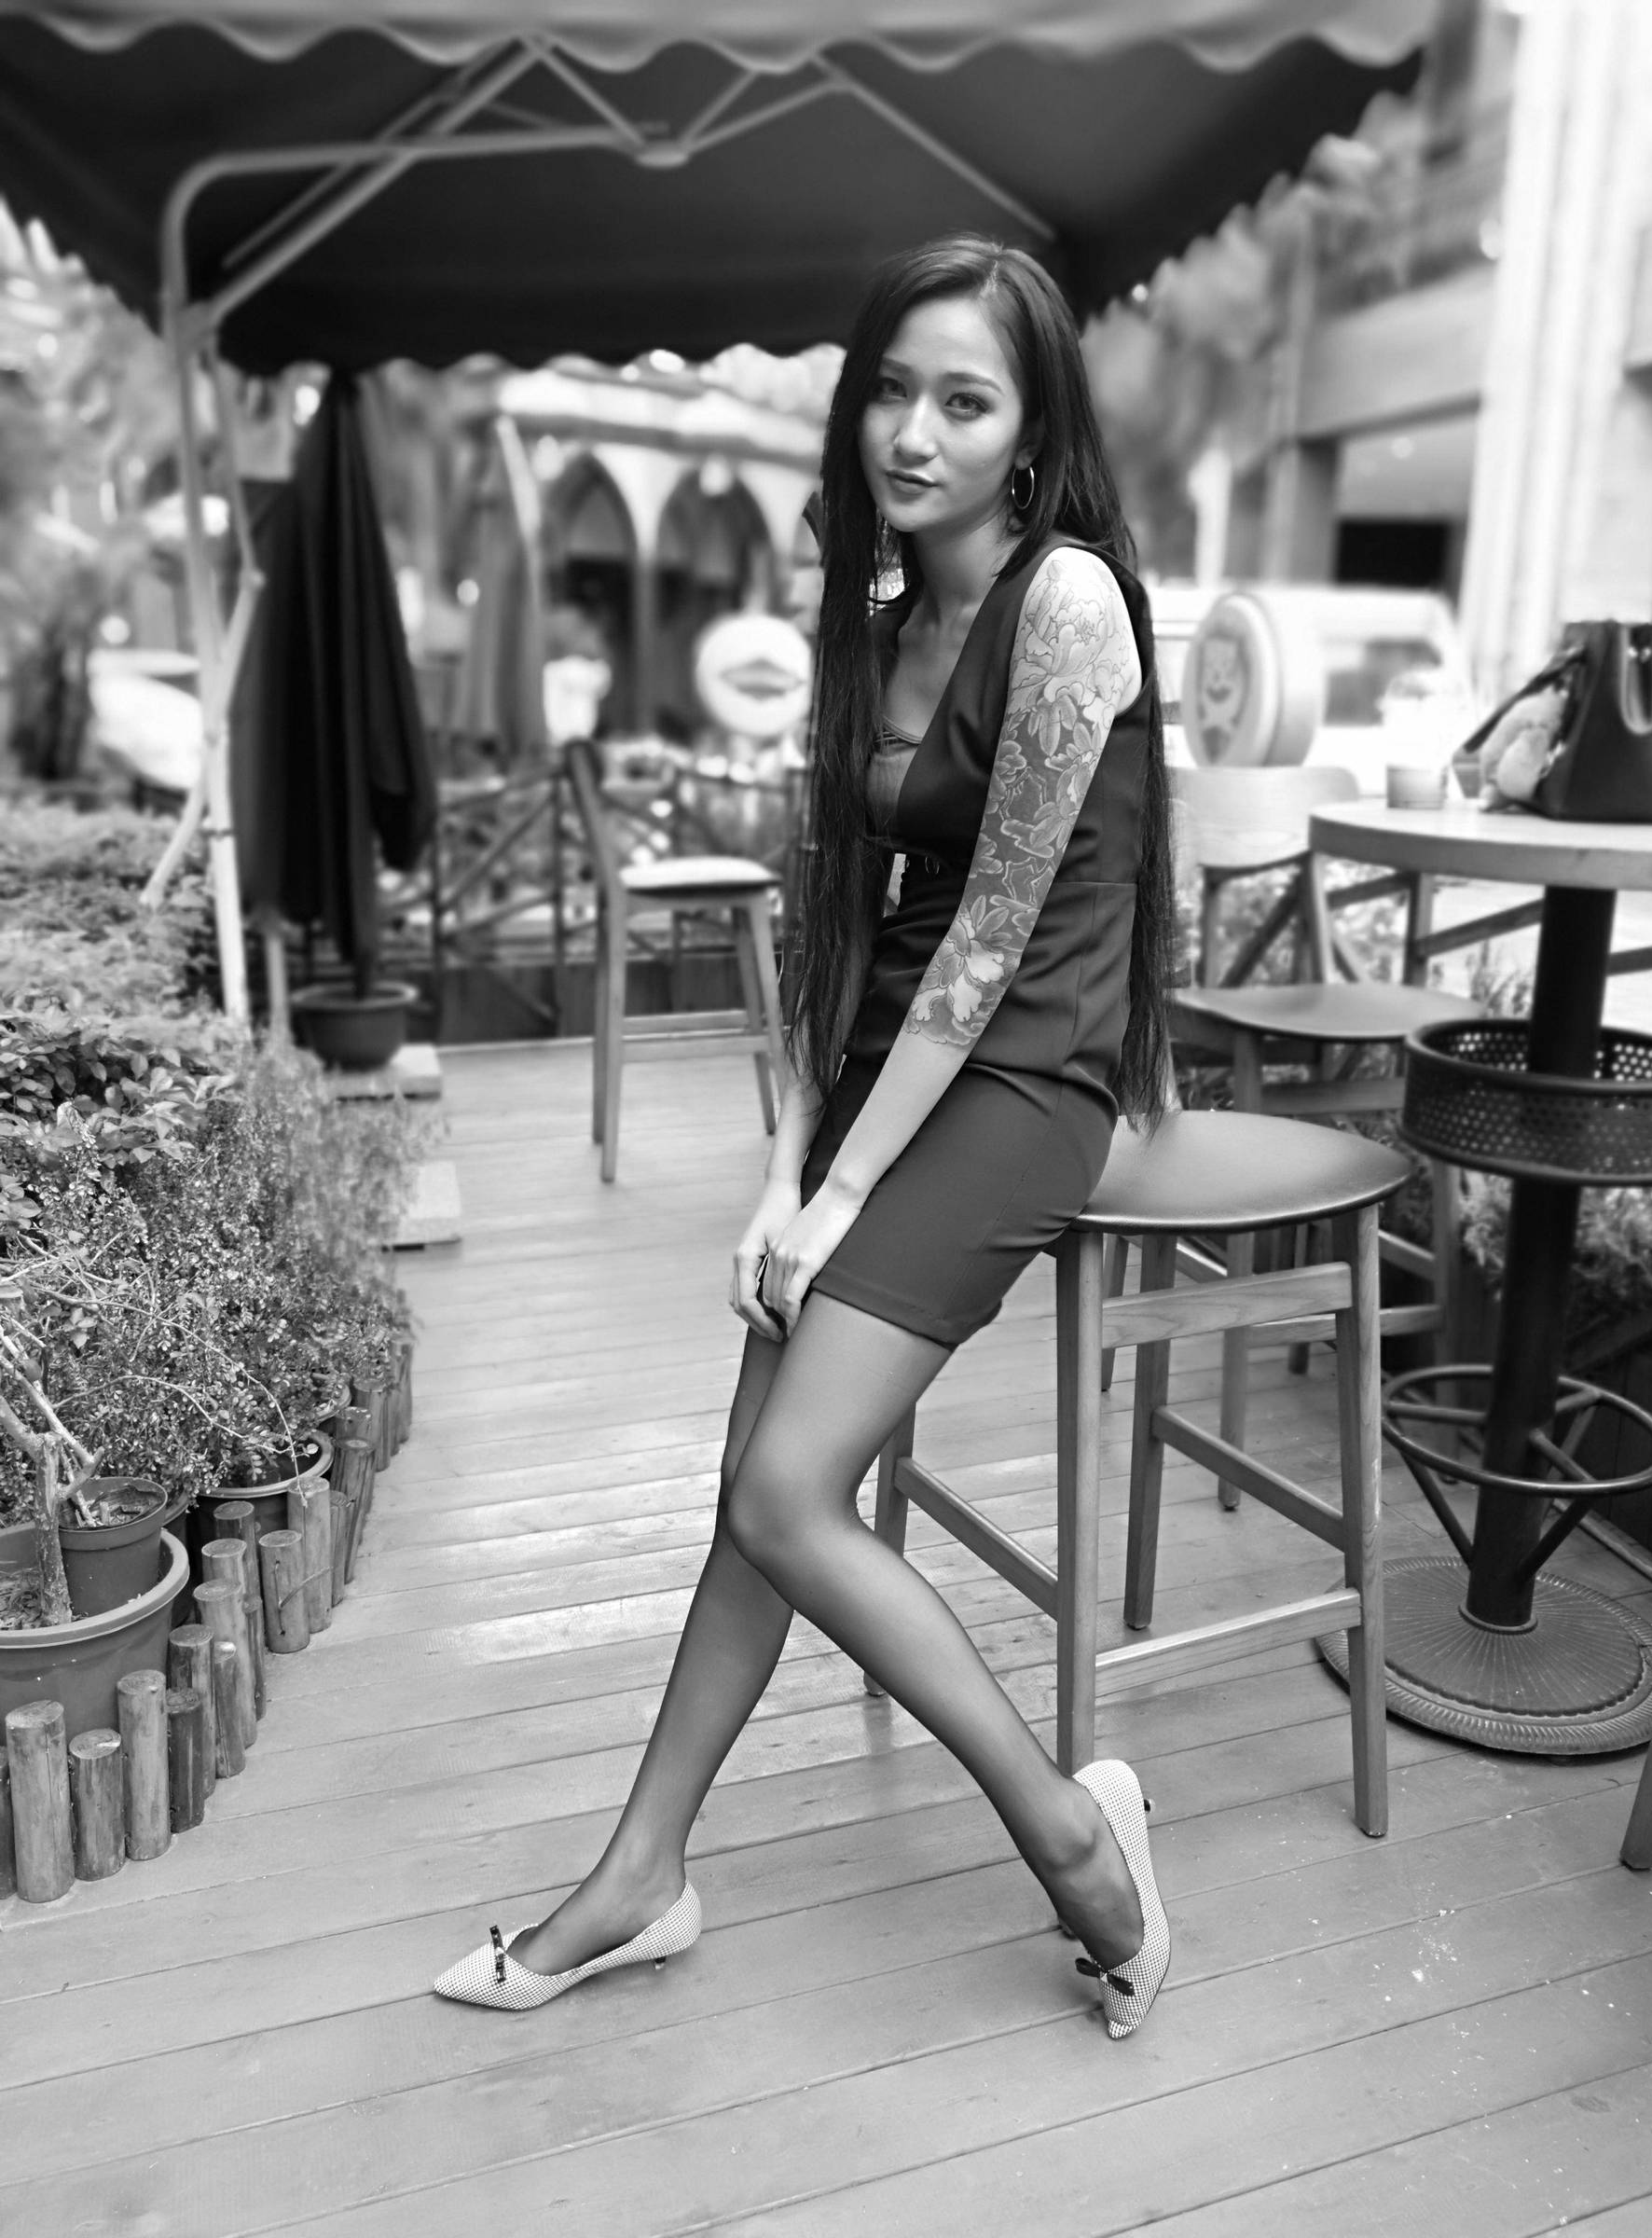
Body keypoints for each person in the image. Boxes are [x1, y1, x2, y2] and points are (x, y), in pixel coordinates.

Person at [436, 236, 1176, 2039]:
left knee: (783, 1494)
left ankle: (1079, 1845)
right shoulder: (870, 623)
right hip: (882, 1068)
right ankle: (644, 1874)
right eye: (889, 391)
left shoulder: (1068, 605)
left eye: (964, 401)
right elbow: (834, 921)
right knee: (754, 1492)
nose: (912, 432)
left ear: (1031, 432)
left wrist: (838, 1193)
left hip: (1025, 1075)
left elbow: (992, 942)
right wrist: (782, 1172)